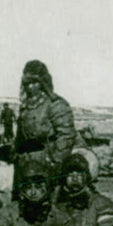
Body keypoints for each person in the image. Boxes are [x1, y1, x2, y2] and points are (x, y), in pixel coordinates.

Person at [13, 60, 76, 198]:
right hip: (26, 162)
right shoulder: (25, 107)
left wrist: (56, 161)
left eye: (34, 82)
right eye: (27, 83)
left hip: (48, 160)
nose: (30, 87)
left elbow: (67, 135)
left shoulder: (56, 105)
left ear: (43, 83)